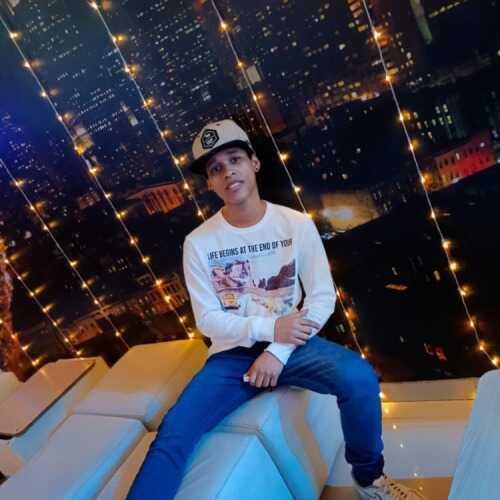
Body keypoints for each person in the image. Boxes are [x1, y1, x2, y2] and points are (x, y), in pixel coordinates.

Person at [126, 119, 427, 500]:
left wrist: (277, 351)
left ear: (254, 162)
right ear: (210, 183)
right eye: (215, 169)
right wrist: (270, 331)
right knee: (174, 432)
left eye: (234, 159)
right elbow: (208, 320)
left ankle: (369, 480)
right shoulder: (199, 243)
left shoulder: (295, 224)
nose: (227, 172)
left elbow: (321, 297)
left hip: (294, 344)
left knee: (360, 380)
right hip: (232, 355)